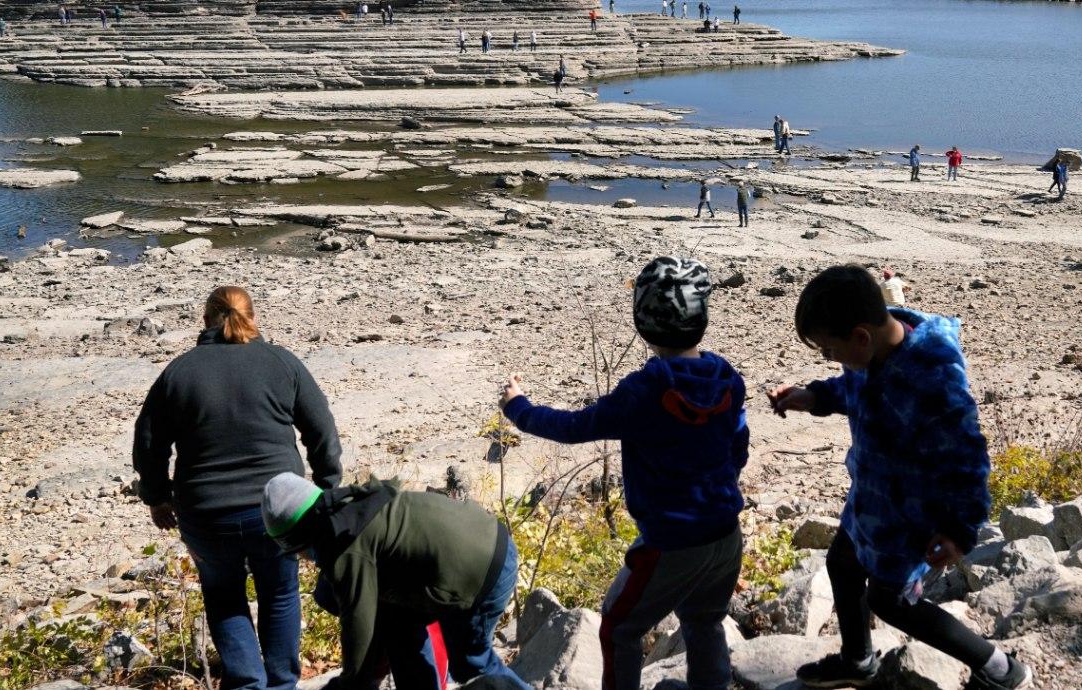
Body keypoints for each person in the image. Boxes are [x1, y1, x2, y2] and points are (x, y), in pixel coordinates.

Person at [767, 266, 1025, 690]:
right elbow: (852, 387)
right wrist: (812, 397)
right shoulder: (869, 351)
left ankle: (1000, 668)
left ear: (861, 336)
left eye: (830, 350)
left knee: (891, 601)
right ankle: (857, 659)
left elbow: (968, 456)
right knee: (841, 563)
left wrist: (960, 529)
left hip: (912, 516)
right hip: (871, 499)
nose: (830, 359)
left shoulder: (932, 378)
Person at [501, 257, 749, 690]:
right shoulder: (727, 378)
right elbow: (739, 448)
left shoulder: (644, 391)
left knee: (619, 628)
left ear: (643, 323)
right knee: (706, 620)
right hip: (725, 533)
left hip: (669, 542)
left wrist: (517, 407)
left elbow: (574, 427)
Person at [133, 287, 341, 690]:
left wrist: (156, 496)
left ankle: (247, 684)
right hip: (279, 508)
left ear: (205, 319)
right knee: (280, 594)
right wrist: (327, 488)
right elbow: (322, 431)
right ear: (252, 316)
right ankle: (282, 683)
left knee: (223, 594)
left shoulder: (179, 372)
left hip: (207, 512)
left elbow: (149, 444)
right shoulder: (282, 363)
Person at [262, 473, 531, 690]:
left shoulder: (346, 549)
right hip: (486, 536)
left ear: (297, 538)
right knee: (400, 630)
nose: (301, 558)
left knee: (472, 664)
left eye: (293, 550)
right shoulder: (350, 508)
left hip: (483, 569)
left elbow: (359, 629)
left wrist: (352, 683)